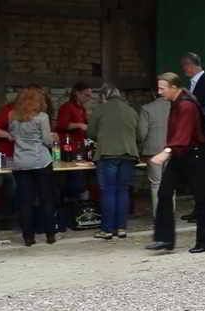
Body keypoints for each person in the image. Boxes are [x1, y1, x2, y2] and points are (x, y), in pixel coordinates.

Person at [147, 73, 205, 254]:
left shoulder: (186, 105)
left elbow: (182, 136)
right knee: (164, 192)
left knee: (202, 198)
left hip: (194, 155)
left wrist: (165, 152)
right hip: (180, 154)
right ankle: (164, 239)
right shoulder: (176, 104)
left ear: (174, 88)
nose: (159, 92)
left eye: (162, 88)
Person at [87, 84, 140, 240]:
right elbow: (139, 135)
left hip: (107, 154)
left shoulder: (100, 110)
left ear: (104, 96)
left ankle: (107, 230)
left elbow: (91, 133)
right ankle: (122, 228)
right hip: (128, 154)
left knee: (109, 191)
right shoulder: (131, 111)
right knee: (123, 191)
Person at [9, 86, 59, 247]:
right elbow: (47, 141)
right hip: (40, 161)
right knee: (46, 198)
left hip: (21, 162)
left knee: (25, 201)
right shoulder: (42, 117)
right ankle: (50, 234)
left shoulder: (13, 116)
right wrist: (53, 137)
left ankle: (28, 237)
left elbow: (13, 136)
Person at [54, 80, 93, 229]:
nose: (88, 98)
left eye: (90, 96)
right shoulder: (67, 107)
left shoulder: (81, 109)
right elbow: (61, 125)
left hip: (80, 148)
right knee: (72, 182)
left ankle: (78, 213)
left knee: (80, 180)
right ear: (77, 93)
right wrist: (79, 125)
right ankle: (66, 213)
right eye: (86, 95)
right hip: (68, 150)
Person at [137, 88, 171, 218]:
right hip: (171, 149)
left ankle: (159, 217)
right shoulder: (175, 107)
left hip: (153, 151)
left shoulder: (147, 108)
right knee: (169, 183)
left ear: (153, 94)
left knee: (156, 184)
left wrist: (140, 145)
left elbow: (141, 133)